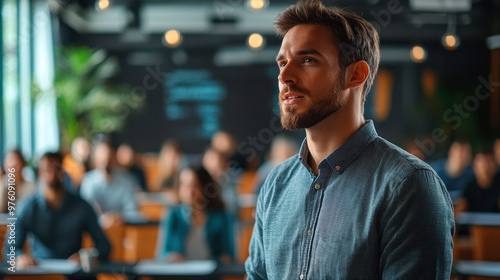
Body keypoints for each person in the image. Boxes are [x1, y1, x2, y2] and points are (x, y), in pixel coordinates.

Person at [245, 1, 454, 279]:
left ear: (355, 75)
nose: (285, 76)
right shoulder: (276, 185)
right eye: (282, 63)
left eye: (308, 60)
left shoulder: (408, 186)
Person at [9, 152, 111, 268]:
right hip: (40, 270)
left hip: (74, 271)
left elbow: (104, 246)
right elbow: (10, 249)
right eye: (47, 169)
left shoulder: (81, 206)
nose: (52, 174)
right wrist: (19, 257)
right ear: (40, 173)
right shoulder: (27, 207)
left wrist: (87, 256)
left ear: (64, 172)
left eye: (57, 169)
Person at [157, 164, 233, 263]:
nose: (189, 191)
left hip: (211, 275)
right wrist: (171, 257)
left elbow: (229, 255)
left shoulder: (220, 216)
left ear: (204, 187)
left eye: (194, 186)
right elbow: (162, 254)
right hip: (181, 274)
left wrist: (223, 259)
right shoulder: (173, 214)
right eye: (184, 185)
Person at [80, 139, 139, 229]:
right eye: (102, 155)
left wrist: (119, 218)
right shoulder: (88, 181)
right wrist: (103, 219)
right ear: (95, 158)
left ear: (114, 156)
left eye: (109, 155)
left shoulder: (127, 180)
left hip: (123, 229)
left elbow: (132, 211)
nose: (106, 159)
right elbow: (87, 211)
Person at [455, 146, 500, 214]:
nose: (485, 166)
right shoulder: (469, 187)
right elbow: (460, 208)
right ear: (474, 165)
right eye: (481, 163)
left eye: (488, 161)